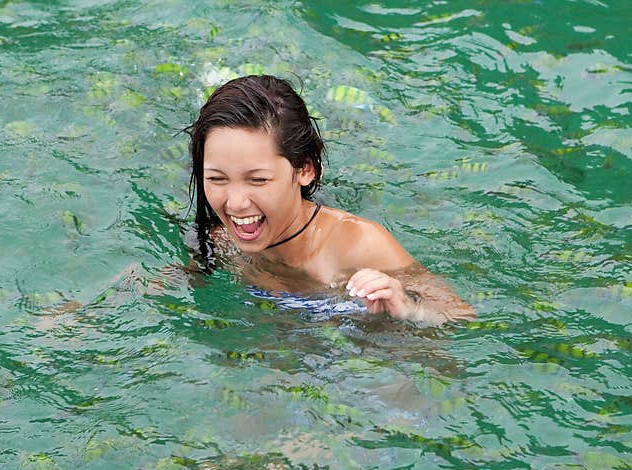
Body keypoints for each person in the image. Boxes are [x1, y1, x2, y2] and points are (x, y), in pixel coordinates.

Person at [185, 74, 475, 326]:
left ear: (305, 170)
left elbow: (461, 316)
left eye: (258, 180)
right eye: (217, 179)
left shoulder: (358, 245)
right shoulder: (218, 242)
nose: (235, 203)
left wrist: (408, 308)